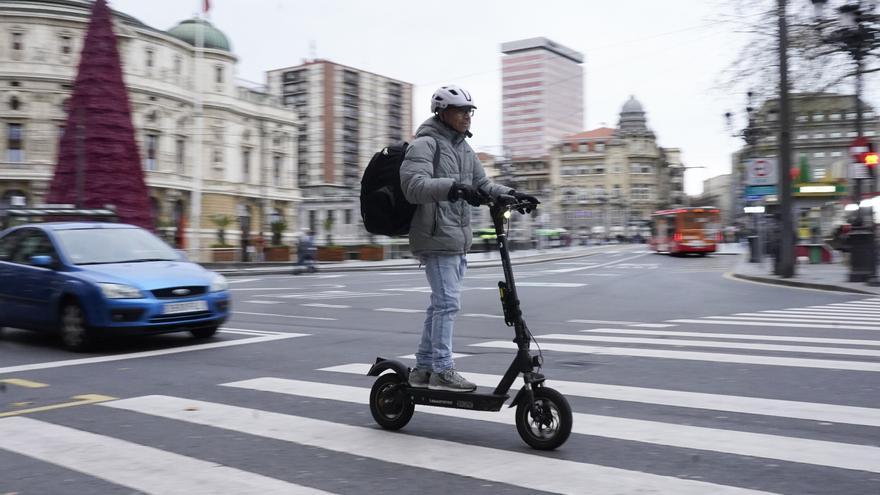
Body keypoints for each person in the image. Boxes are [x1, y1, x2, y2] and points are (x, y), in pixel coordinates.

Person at [399, 85, 540, 392]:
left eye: (470, 111)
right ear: (442, 112)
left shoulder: (464, 149)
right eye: (461, 111)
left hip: (457, 239)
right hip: (435, 236)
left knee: (440, 305)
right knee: (447, 304)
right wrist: (453, 188)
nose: (467, 117)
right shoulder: (425, 144)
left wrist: (513, 194)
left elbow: (483, 184)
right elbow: (413, 186)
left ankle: (423, 369)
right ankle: (442, 369)